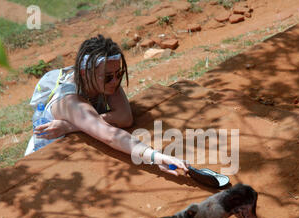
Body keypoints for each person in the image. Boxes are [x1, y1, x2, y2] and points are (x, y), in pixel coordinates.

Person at [25, 34, 188, 177]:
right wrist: (155, 157)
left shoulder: (104, 80)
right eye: (109, 77)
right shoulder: (69, 101)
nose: (115, 81)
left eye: (119, 74)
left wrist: (71, 126)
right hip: (44, 160)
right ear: (85, 73)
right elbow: (109, 135)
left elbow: (125, 118)